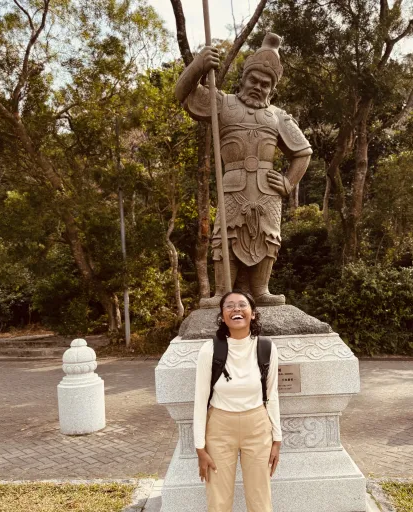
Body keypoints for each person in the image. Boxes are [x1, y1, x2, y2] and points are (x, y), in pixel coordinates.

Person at [175, 33, 312, 308]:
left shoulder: (277, 116)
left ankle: (261, 290)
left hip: (267, 189)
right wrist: (199, 65)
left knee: (267, 235)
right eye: (254, 80)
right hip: (233, 185)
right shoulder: (223, 104)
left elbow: (303, 152)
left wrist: (288, 183)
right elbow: (182, 94)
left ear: (272, 90)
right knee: (226, 235)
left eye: (265, 84)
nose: (258, 87)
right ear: (243, 79)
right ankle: (222, 292)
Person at [193, 290, 282, 512]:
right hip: (219, 427)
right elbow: (200, 400)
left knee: (260, 498)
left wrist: (277, 439)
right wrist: (200, 448)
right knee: (218, 499)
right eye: (229, 306)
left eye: (242, 305)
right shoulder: (209, 350)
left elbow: (272, 395)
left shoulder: (266, 348)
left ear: (253, 313)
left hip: (257, 426)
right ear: (223, 316)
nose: (236, 309)